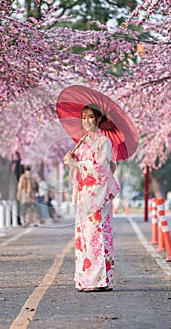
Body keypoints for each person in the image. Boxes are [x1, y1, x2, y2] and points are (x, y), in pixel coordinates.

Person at [63, 104, 120, 292]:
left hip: (98, 195)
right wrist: (72, 160)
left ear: (98, 119)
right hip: (84, 195)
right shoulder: (84, 140)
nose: (87, 121)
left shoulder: (104, 142)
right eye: (84, 117)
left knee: (98, 236)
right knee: (84, 237)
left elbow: (103, 169)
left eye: (90, 117)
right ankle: (86, 279)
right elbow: (82, 166)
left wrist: (78, 164)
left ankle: (101, 280)